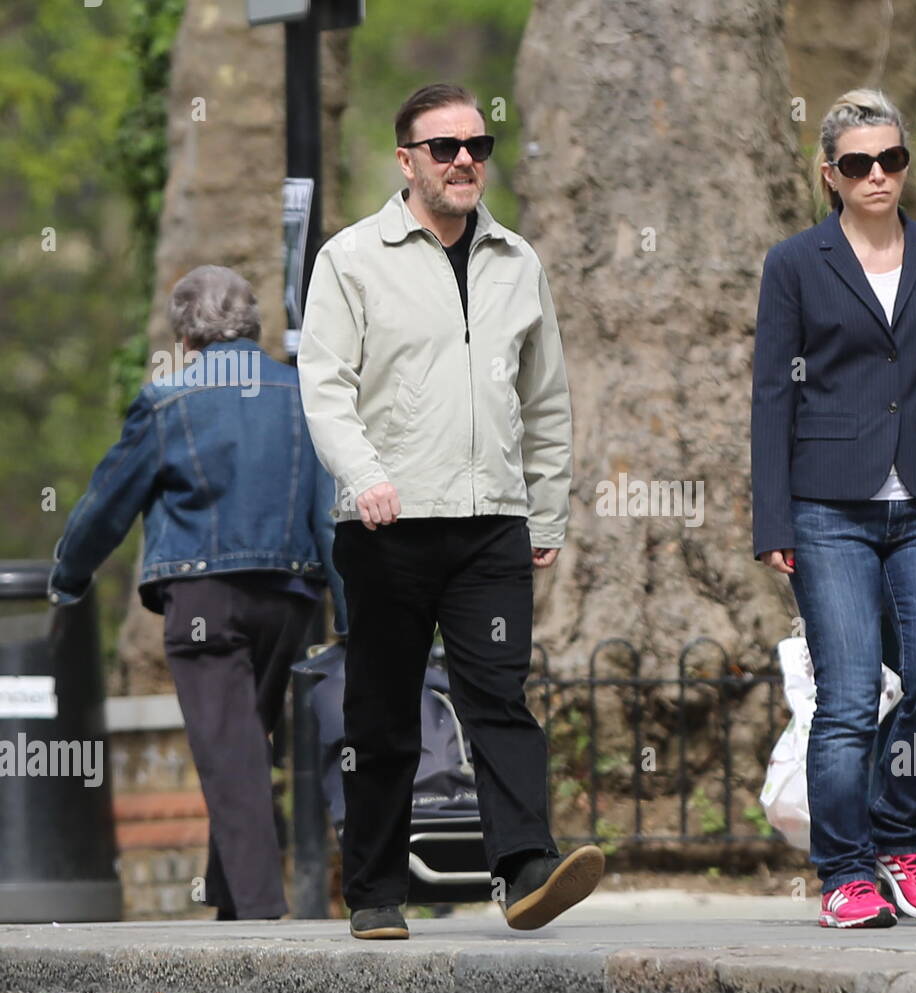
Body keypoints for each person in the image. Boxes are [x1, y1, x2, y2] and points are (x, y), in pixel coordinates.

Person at [297, 83, 603, 941]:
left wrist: (544, 515)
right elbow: (324, 389)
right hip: (386, 526)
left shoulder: (518, 261)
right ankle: (375, 892)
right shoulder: (352, 259)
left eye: (478, 145)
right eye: (445, 147)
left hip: (491, 525)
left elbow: (546, 401)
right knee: (385, 711)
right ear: (407, 161)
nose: (466, 159)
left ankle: (526, 869)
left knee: (497, 696)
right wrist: (364, 477)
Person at [751, 88, 916, 929]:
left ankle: (901, 842)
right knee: (849, 696)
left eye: (892, 159)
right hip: (828, 506)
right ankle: (845, 870)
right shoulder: (795, 263)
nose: (878, 175)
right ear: (831, 174)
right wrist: (774, 521)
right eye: (860, 163)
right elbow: (770, 399)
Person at [48, 265, 347, 920]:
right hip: (291, 598)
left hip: (203, 597)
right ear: (253, 325)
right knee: (242, 743)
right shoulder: (304, 395)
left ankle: (263, 922)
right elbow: (331, 516)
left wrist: (68, 578)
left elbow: (105, 507)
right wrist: (348, 615)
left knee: (231, 752)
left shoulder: (168, 402)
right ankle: (231, 904)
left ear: (187, 336)